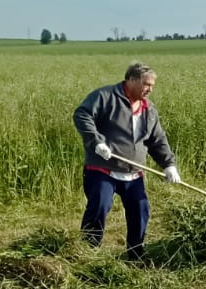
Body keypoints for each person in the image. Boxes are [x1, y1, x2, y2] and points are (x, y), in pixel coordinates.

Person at [72, 62, 181, 258]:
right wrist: (97, 142)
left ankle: (135, 255)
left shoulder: (148, 109)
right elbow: (82, 115)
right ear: (131, 80)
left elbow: (157, 140)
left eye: (152, 85)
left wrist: (169, 164)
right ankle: (88, 253)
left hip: (133, 173)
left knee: (140, 209)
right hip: (103, 168)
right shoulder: (106, 96)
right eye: (146, 84)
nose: (150, 89)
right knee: (99, 207)